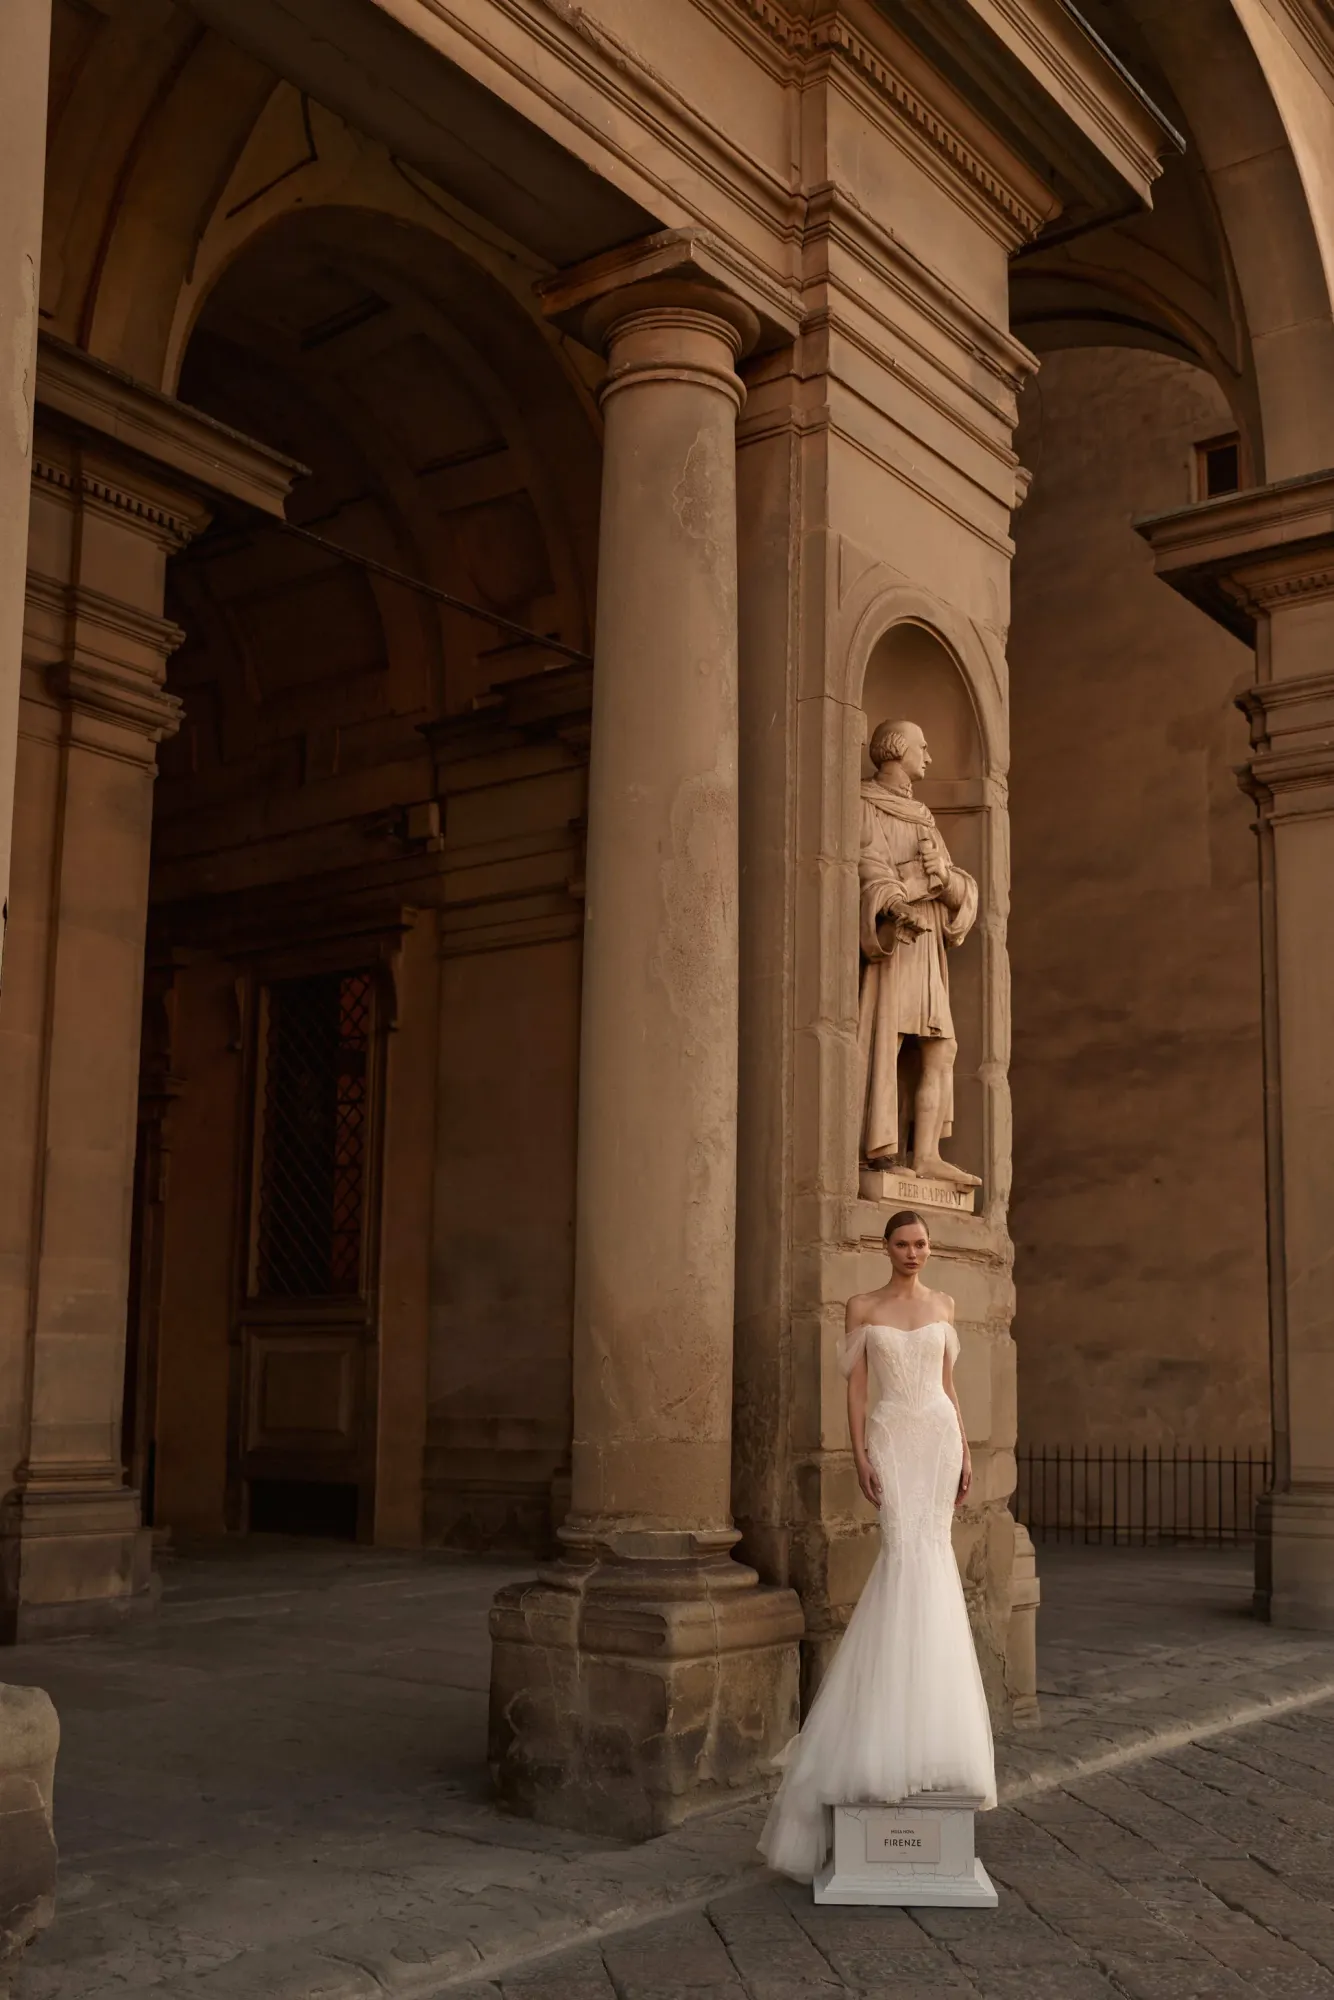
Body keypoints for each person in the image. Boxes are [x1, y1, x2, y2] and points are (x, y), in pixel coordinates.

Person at [758, 1209, 996, 1881]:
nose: (914, 1252)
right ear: (885, 1247)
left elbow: (948, 1387)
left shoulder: (946, 1302)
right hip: (892, 1440)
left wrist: (968, 1450)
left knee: (935, 1564)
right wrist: (860, 1457)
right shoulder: (861, 1305)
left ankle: (931, 1738)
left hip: (939, 1439)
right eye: (903, 1243)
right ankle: (883, 1737)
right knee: (904, 1558)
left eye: (921, 1243)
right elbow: (856, 1393)